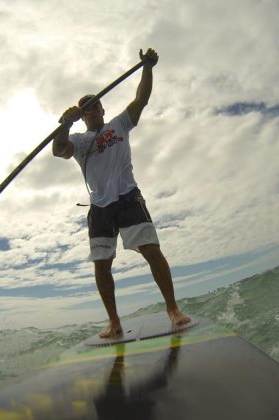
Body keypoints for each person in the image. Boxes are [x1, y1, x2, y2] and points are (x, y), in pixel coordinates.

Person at [52, 48, 191, 338]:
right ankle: (114, 322)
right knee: (102, 265)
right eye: (85, 108)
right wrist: (65, 124)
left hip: (128, 197)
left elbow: (141, 99)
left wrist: (148, 67)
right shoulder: (77, 141)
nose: (91, 110)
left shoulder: (119, 125)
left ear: (102, 109)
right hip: (100, 208)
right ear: (83, 116)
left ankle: (173, 310)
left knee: (152, 250)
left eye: (95, 105)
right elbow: (57, 150)